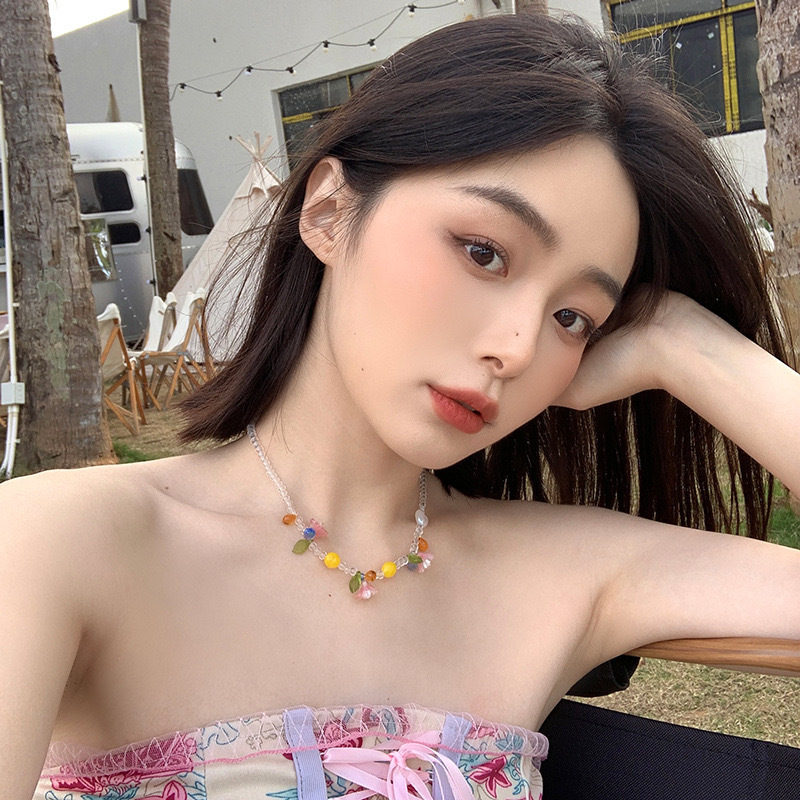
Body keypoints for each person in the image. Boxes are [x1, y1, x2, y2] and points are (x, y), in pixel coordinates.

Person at [2, 12, 799, 800]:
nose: (518, 348)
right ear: (328, 211)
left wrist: (689, 349)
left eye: (572, 317)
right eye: (484, 252)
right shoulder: (64, 544)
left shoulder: (565, 572)